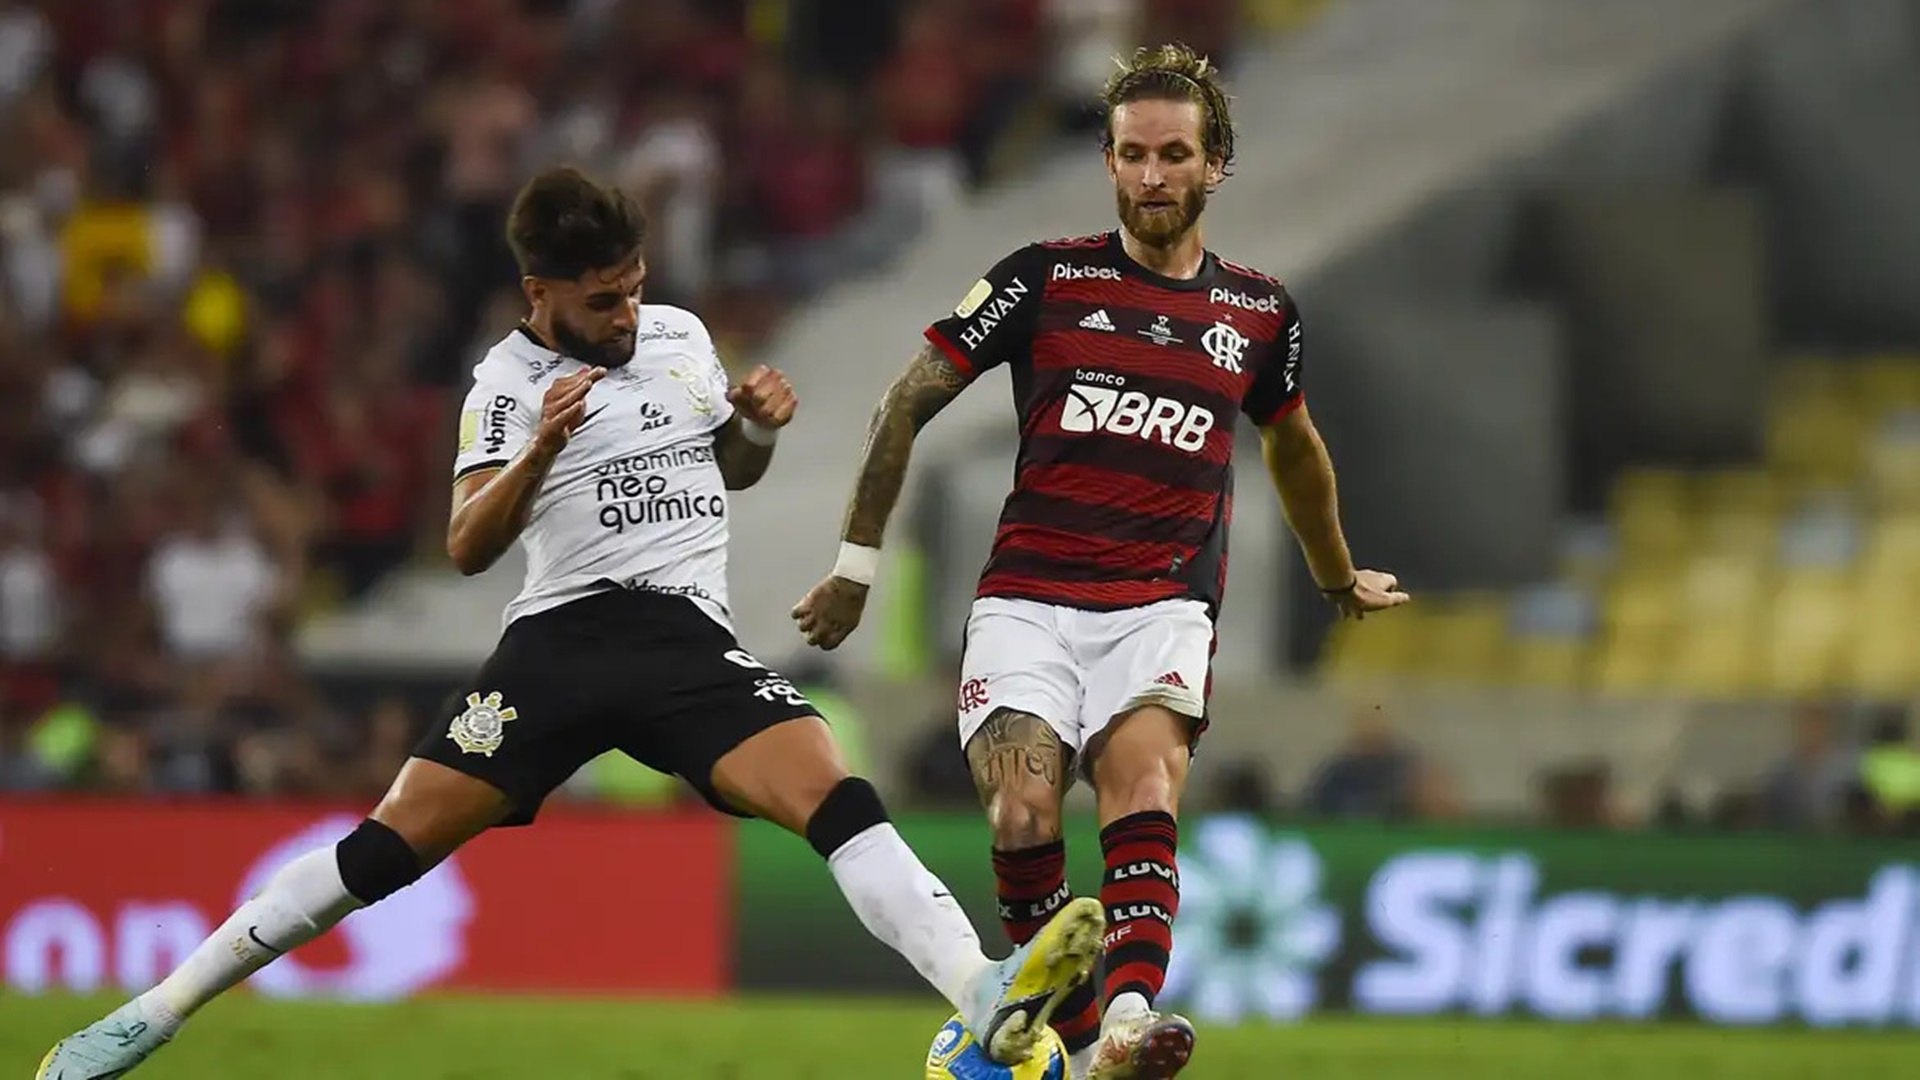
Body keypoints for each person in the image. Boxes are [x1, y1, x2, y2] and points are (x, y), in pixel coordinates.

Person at [38, 166, 1103, 1078]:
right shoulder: (504, 387)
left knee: (837, 793)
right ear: (539, 291)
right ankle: (150, 1014)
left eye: (634, 289)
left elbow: (724, 472)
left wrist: (756, 430)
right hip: (561, 642)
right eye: (602, 302)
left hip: (687, 638)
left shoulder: (681, 335)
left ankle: (981, 995)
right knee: (382, 852)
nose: (627, 316)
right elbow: (466, 546)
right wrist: (542, 451)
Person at [792, 45, 1408, 1080]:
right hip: (1028, 598)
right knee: (1022, 808)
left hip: (1161, 602)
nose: (1154, 175)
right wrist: (855, 566)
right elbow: (906, 400)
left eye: (1176, 154)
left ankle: (1124, 1023)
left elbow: (1294, 449)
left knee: (1143, 788)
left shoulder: (1258, 315)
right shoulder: (1044, 278)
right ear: (1109, 162)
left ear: (1216, 166)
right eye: (1134, 155)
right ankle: (1081, 1051)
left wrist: (1337, 573)